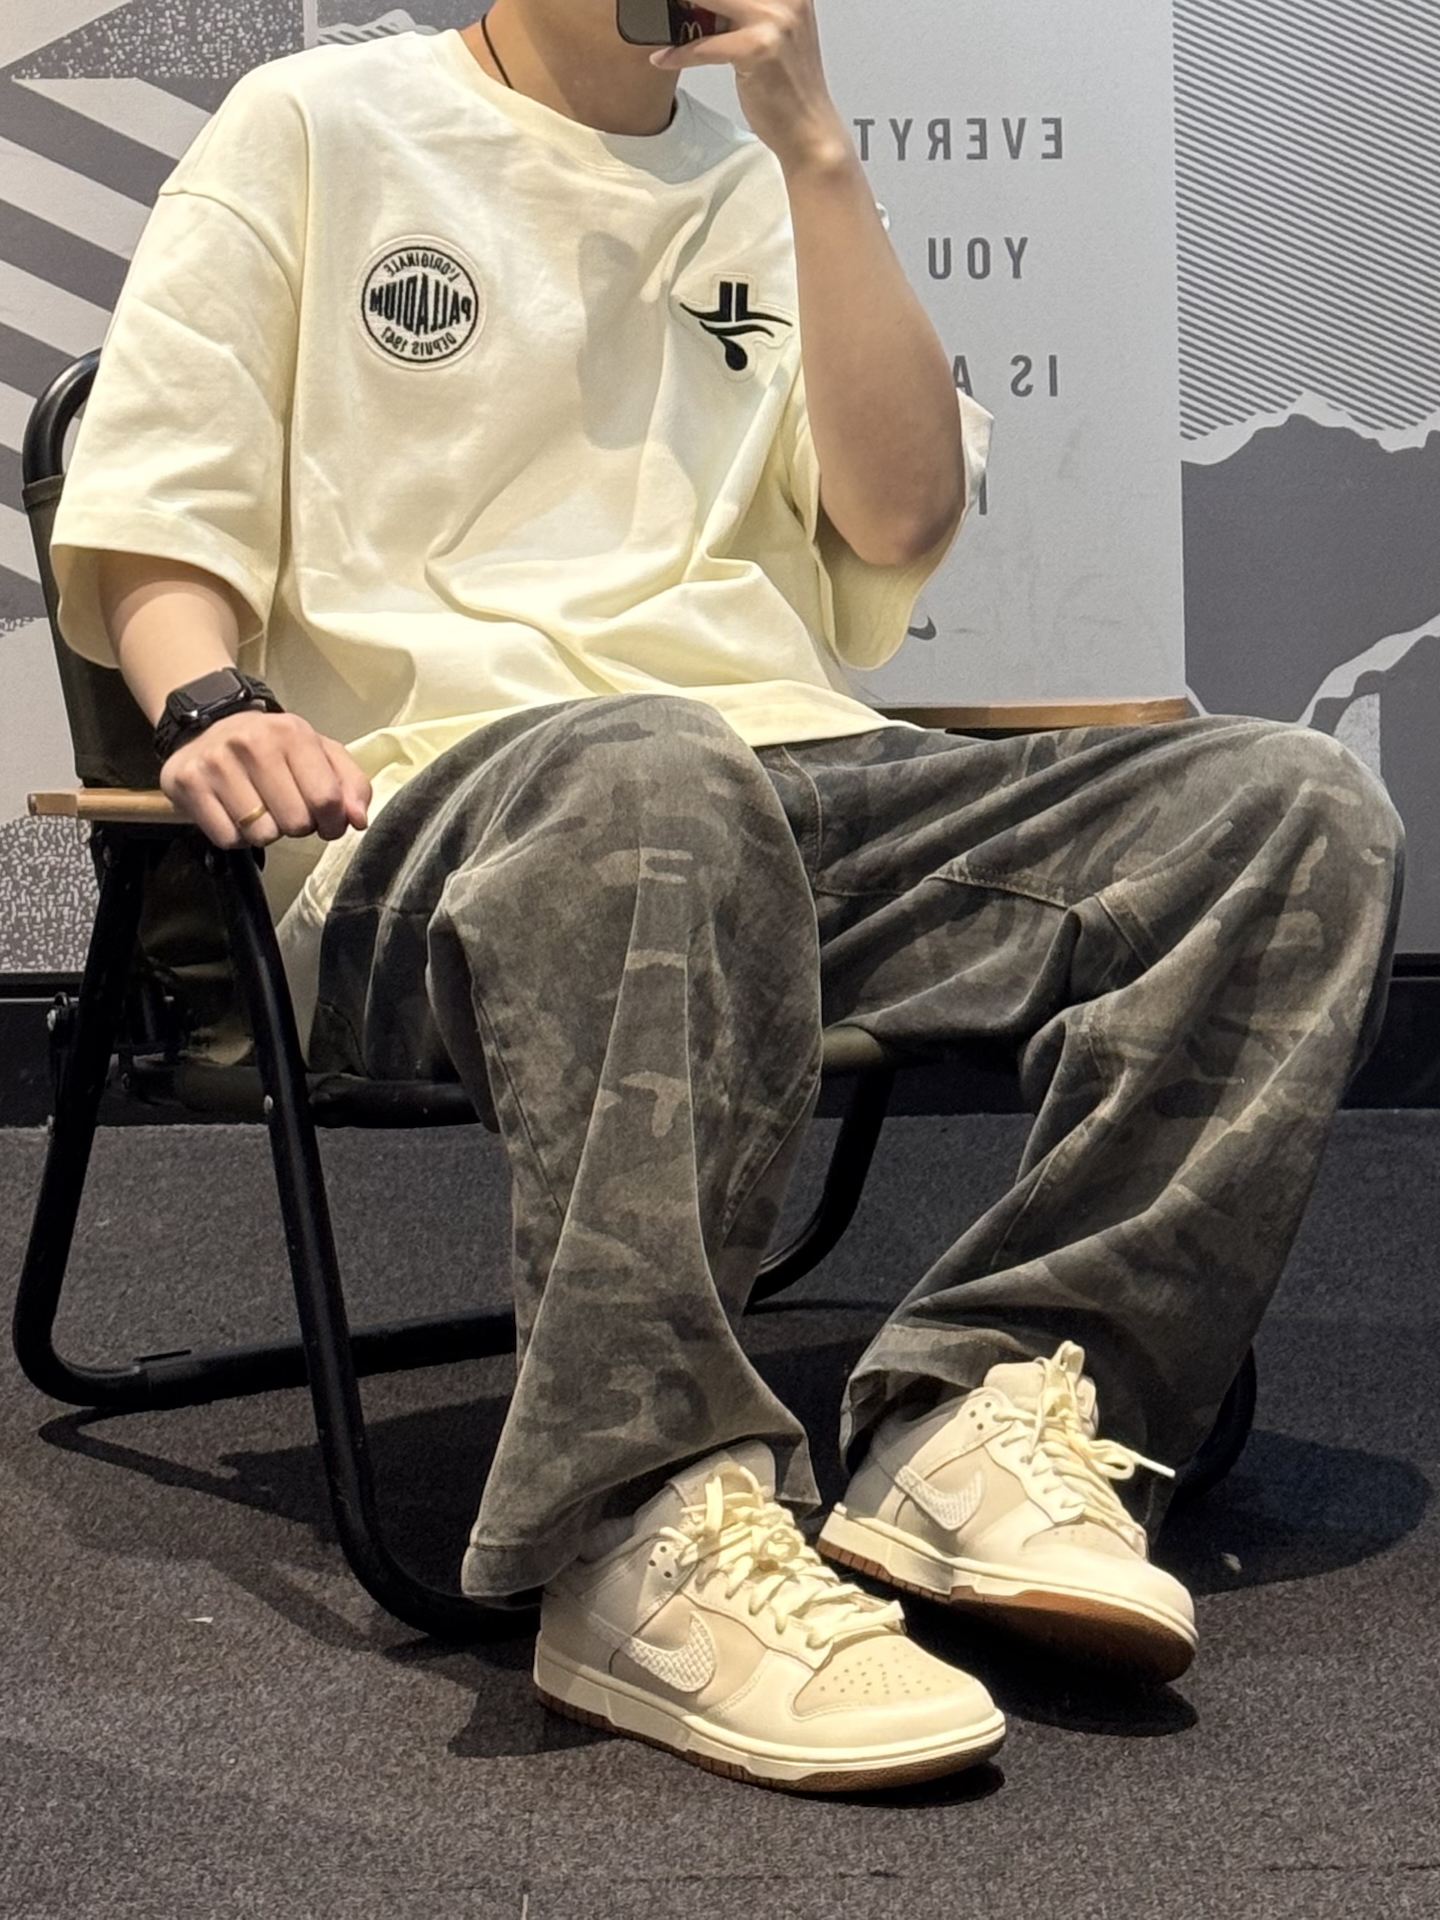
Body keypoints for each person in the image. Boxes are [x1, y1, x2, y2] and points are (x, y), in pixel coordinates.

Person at [51, 0, 1403, 1795]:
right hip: (444, 818)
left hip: (795, 785)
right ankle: (644, 1518)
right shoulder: (313, 123)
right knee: (652, 764)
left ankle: (995, 1403)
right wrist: (210, 704)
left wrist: (817, 152)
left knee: (1294, 809)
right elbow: (155, 509)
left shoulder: (770, 175)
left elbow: (900, 523)